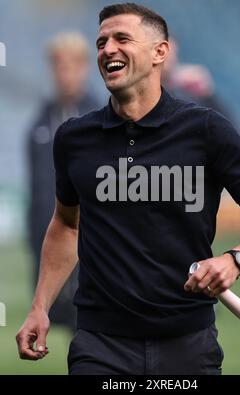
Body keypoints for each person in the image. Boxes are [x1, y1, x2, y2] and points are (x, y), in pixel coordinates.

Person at [17, 3, 240, 375]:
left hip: (187, 342)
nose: (107, 49)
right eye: (101, 42)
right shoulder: (74, 138)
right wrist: (40, 306)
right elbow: (67, 225)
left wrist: (235, 260)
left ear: (159, 52)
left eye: (121, 38)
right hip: (100, 344)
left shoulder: (207, 130)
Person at [26, 32, 99, 333]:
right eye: (58, 65)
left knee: (91, 321)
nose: (64, 72)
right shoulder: (41, 122)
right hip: (52, 234)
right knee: (62, 320)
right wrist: (35, 233)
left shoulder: (102, 117)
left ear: (84, 67)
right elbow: (38, 184)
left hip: (93, 237)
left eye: (71, 64)